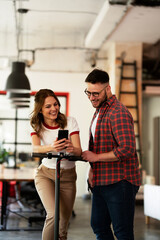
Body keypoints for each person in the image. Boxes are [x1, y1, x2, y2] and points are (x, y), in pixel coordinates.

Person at [82, 69, 141, 240]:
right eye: (88, 93)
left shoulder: (118, 112)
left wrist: (96, 158)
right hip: (101, 180)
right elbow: (98, 145)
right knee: (99, 226)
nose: (91, 97)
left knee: (122, 232)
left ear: (108, 89)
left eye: (95, 93)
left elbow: (127, 148)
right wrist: (92, 169)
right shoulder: (100, 110)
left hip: (120, 182)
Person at [30, 89, 82, 240]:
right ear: (40, 109)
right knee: (53, 214)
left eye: (55, 104)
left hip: (68, 176)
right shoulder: (37, 125)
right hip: (45, 174)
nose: (54, 108)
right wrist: (52, 147)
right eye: (48, 106)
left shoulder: (69, 121)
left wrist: (72, 149)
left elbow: (79, 151)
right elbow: (35, 148)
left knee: (63, 224)